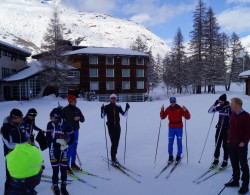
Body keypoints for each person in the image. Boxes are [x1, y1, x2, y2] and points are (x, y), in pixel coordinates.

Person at [1, 108, 31, 194]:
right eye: (21, 116)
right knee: (10, 177)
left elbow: (27, 136)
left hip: (22, 155)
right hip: (11, 156)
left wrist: (32, 143)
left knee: (22, 176)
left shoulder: (21, 124)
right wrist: (26, 144)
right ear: (14, 117)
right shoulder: (5, 129)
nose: (22, 118)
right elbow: (9, 145)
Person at [46, 107, 75, 195]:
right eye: (50, 117)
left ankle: (63, 187)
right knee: (55, 169)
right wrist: (56, 141)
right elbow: (47, 137)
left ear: (58, 117)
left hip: (64, 149)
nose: (51, 119)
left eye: (53, 117)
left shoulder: (66, 124)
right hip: (53, 149)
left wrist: (67, 144)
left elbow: (73, 137)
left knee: (63, 169)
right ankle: (55, 186)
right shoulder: (49, 124)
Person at [224, 97, 250, 194]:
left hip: (240, 146)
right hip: (231, 144)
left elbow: (248, 131)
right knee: (234, 164)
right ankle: (235, 181)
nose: (230, 106)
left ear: (238, 105)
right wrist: (228, 137)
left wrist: (243, 142)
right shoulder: (233, 114)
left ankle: (245, 185)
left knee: (243, 165)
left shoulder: (246, 116)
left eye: (232, 104)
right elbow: (230, 127)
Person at [101, 94, 130, 165]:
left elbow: (124, 114)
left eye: (114, 98)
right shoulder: (107, 107)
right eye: (112, 98)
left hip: (117, 126)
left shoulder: (118, 106)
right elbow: (102, 116)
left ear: (116, 99)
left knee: (117, 141)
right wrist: (102, 110)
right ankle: (113, 157)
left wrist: (127, 109)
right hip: (110, 126)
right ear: (110, 99)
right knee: (113, 142)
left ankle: (114, 154)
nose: (113, 99)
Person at [160, 97, 191, 163]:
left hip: (179, 127)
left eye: (174, 101)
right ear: (170, 102)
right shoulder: (168, 109)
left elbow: (188, 117)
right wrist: (162, 111)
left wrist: (186, 111)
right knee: (170, 142)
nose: (172, 103)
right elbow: (162, 117)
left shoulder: (180, 108)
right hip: (171, 128)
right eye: (171, 101)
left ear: (175, 101)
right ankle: (170, 156)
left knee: (179, 142)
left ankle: (178, 155)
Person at [62, 94, 85, 173]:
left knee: (74, 147)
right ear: (70, 101)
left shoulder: (77, 109)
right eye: (74, 101)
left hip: (75, 131)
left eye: (76, 101)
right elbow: (60, 121)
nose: (76, 102)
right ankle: (66, 165)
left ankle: (73, 163)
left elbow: (83, 119)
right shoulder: (65, 110)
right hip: (67, 132)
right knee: (69, 148)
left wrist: (79, 118)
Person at [208, 94, 231, 169]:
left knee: (225, 146)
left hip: (226, 129)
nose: (220, 102)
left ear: (224, 101)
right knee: (217, 144)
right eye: (219, 101)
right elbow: (210, 111)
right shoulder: (220, 107)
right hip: (219, 128)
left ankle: (225, 161)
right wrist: (215, 104)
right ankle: (216, 160)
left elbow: (233, 119)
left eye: (221, 101)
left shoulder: (229, 108)